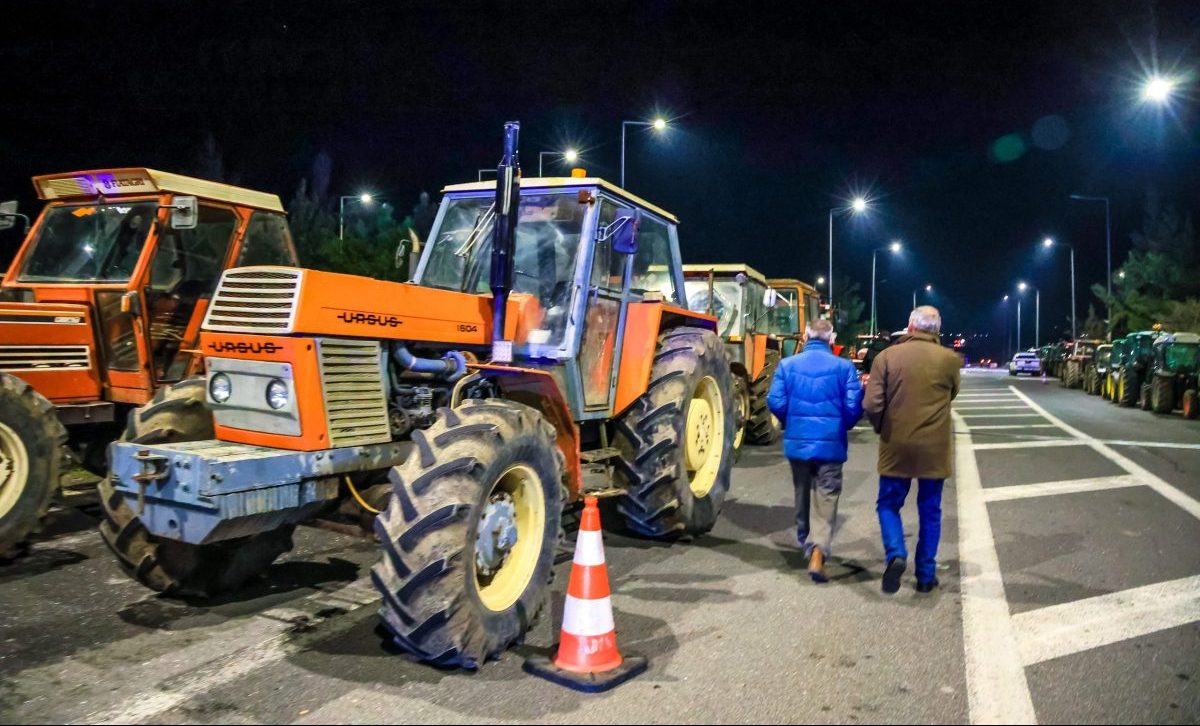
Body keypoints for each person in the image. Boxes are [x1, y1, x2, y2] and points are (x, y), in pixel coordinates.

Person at [864, 306, 961, 594]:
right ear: (937, 330)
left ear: (910, 326)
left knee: (888, 504)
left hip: (897, 444)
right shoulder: (950, 360)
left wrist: (882, 427)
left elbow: (871, 404)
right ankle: (926, 576)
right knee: (930, 511)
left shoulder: (887, 357)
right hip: (935, 447)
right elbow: (952, 393)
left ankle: (896, 553)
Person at [767, 318, 864, 582]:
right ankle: (818, 549)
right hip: (831, 442)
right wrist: (843, 424)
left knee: (802, 493)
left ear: (806, 337)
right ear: (831, 339)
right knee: (827, 494)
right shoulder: (844, 367)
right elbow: (855, 405)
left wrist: (792, 421)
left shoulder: (787, 365)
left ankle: (805, 540)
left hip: (798, 441)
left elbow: (774, 400)